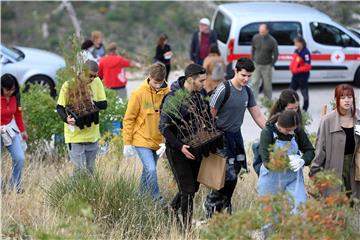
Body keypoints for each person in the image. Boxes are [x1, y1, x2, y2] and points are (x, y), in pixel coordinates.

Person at [203, 58, 267, 218]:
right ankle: (211, 204)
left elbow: (258, 115)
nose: (246, 79)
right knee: (227, 175)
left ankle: (225, 206)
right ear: (236, 71)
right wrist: (210, 140)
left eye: (249, 76)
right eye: (243, 75)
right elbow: (209, 115)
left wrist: (272, 131)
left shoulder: (247, 91)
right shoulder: (224, 89)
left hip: (235, 136)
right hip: (220, 136)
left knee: (235, 172)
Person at [159, 63, 208, 230]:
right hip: (177, 150)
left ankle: (171, 209)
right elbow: (164, 127)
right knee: (187, 191)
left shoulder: (199, 95)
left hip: (195, 146)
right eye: (201, 81)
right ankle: (187, 230)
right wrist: (180, 147)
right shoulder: (173, 98)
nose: (204, 84)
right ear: (190, 79)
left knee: (194, 187)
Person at [122, 63, 170, 203]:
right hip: (141, 138)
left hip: (158, 141)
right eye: (155, 82)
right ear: (149, 77)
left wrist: (166, 142)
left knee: (147, 172)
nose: (157, 85)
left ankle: (140, 199)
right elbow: (129, 119)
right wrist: (127, 142)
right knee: (151, 169)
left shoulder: (167, 94)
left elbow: (170, 119)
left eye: (160, 82)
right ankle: (157, 199)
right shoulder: (138, 93)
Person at [310, 84, 360, 199]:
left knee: (354, 201)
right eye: (342, 97)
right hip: (334, 167)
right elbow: (320, 148)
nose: (347, 100)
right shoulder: (327, 120)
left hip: (355, 166)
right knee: (336, 202)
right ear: (336, 100)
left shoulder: (358, 117)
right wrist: (315, 171)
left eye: (349, 97)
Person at [56, 60, 107, 174]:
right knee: (79, 171)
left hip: (92, 136)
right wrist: (66, 119)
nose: (93, 78)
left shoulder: (97, 82)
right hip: (75, 137)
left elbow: (104, 104)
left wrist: (90, 103)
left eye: (95, 76)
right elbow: (60, 107)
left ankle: (88, 192)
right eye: (90, 75)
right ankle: (73, 191)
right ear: (82, 71)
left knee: (90, 171)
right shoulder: (69, 85)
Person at [257, 110, 315, 209]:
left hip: (293, 178)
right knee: (269, 217)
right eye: (288, 130)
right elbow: (267, 161)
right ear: (279, 126)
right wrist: (287, 161)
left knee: (300, 209)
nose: (291, 132)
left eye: (293, 129)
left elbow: (310, 150)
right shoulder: (267, 132)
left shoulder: (296, 130)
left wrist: (303, 160)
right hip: (271, 179)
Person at [253, 89, 302, 175]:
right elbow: (266, 160)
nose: (294, 111)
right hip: (272, 171)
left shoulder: (296, 121)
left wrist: (302, 159)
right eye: (291, 108)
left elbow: (307, 148)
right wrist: (285, 161)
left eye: (296, 108)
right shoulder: (270, 129)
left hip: (291, 172)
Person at [1, 74, 28, 193]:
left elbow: (17, 114)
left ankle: (15, 185)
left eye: (13, 89)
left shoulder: (15, 96)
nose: (10, 92)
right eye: (8, 90)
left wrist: (23, 131)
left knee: (19, 158)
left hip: (10, 130)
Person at [251, 24, 278, 100]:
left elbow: (276, 54)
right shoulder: (256, 37)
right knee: (254, 82)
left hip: (267, 66)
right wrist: (253, 59)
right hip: (256, 65)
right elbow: (253, 49)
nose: (261, 33)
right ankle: (253, 100)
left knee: (267, 85)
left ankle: (267, 100)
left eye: (263, 32)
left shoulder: (272, 41)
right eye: (260, 31)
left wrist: (271, 64)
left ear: (267, 31)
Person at [289, 36, 312, 112]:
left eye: (296, 42)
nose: (295, 44)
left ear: (301, 43)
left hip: (303, 76)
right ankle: (292, 106)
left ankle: (305, 108)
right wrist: (292, 68)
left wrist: (298, 70)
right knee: (291, 91)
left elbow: (307, 66)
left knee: (304, 92)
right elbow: (294, 61)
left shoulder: (306, 53)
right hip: (295, 75)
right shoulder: (296, 51)